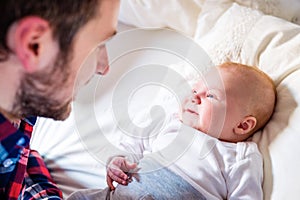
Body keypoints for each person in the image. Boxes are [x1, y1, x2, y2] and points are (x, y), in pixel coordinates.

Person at [67, 62, 276, 200]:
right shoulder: (172, 122)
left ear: (242, 125)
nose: (195, 97)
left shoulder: (240, 155)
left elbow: (246, 196)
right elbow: (134, 146)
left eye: (210, 96)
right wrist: (119, 161)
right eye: (195, 90)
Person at [0, 0, 120, 199]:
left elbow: (17, 166)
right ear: (34, 45)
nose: (104, 67)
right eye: (99, 45)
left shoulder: (16, 103)